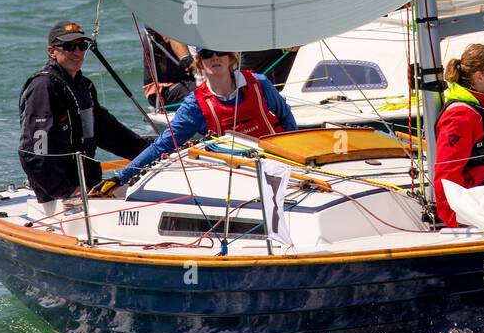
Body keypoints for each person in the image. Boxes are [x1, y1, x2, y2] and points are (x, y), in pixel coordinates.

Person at [92, 49, 298, 196]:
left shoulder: (259, 83)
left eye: (220, 51)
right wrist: (120, 177)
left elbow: (286, 118)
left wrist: (295, 157)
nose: (215, 57)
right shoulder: (196, 104)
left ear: (231, 58)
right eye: (207, 54)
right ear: (200, 62)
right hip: (239, 175)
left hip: (280, 163)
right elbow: (164, 144)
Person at [18, 22, 153, 211]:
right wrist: (66, 191)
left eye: (82, 46)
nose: (77, 52)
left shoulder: (84, 87)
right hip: (60, 196)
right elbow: (33, 153)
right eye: (69, 46)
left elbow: (107, 131)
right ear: (52, 51)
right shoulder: (44, 88)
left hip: (87, 186)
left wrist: (150, 152)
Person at [434, 44, 484, 227]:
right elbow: (446, 173)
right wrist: (455, 220)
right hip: (476, 206)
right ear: (479, 76)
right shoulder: (461, 116)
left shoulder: (483, 108)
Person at [142, 27, 196, 108]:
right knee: (208, 89)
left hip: (189, 82)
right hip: (165, 92)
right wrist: (187, 60)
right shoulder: (164, 24)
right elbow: (172, 34)